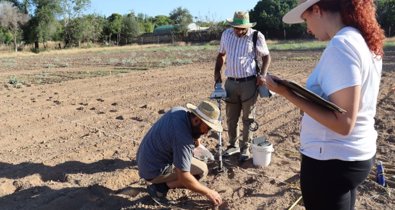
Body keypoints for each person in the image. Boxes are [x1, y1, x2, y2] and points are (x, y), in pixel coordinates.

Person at [261, 0, 385, 209]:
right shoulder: (360, 40)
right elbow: (339, 104)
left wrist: (285, 92)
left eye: (305, 18)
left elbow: (343, 122)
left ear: (317, 10)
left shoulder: (342, 45)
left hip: (331, 161)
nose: (307, 28)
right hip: (351, 156)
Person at [136, 101, 223, 206]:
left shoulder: (179, 111)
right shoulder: (182, 138)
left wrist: (196, 141)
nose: (206, 133)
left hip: (145, 159)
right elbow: (184, 176)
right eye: (207, 128)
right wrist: (208, 192)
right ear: (196, 120)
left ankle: (161, 184)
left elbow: (190, 137)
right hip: (152, 171)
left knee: (192, 158)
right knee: (201, 170)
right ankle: (159, 189)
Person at [214, 11, 271, 162]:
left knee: (248, 118)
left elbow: (266, 56)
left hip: (249, 83)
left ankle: (245, 148)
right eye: (236, 28)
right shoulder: (226, 34)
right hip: (230, 83)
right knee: (231, 118)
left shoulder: (256, 36)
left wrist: (263, 75)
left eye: (241, 28)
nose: (238, 31)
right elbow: (221, 54)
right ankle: (233, 145)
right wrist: (217, 74)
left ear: (247, 26)